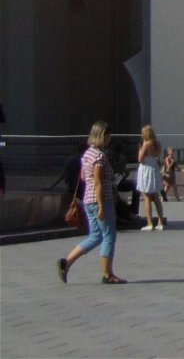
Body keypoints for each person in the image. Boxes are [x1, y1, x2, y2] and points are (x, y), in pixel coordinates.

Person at [57, 121, 126, 284]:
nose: (110, 138)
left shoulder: (87, 154)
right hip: (101, 199)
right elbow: (98, 182)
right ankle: (107, 274)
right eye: (108, 135)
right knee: (109, 236)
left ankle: (66, 262)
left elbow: (83, 177)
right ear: (103, 136)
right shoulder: (100, 156)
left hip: (87, 199)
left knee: (95, 236)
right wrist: (102, 205)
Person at [135, 126, 167, 230]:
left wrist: (140, 149)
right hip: (154, 169)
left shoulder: (146, 144)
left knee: (147, 196)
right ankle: (160, 222)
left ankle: (149, 223)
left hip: (146, 170)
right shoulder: (157, 144)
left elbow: (140, 159)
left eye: (142, 133)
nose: (141, 135)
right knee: (156, 197)